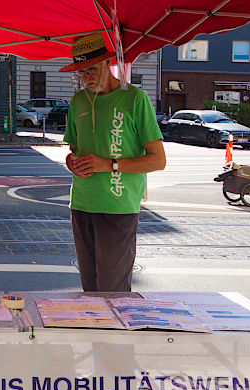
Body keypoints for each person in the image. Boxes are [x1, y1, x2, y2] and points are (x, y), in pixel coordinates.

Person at [60, 33, 166, 292]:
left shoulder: (134, 99)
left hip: (118, 206)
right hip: (82, 203)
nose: (87, 77)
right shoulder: (78, 102)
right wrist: (71, 162)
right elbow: (74, 150)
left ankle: (111, 334)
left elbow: (158, 160)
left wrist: (108, 164)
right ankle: (94, 334)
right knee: (90, 290)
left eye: (92, 69)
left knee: (113, 292)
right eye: (82, 72)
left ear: (108, 63)